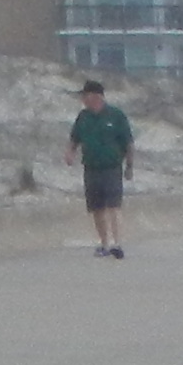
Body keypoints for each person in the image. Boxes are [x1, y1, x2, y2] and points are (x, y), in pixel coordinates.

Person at [70, 82, 134, 256]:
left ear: (96, 96)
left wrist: (129, 166)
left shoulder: (116, 115)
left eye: (85, 95)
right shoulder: (83, 117)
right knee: (96, 208)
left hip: (112, 167)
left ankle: (117, 243)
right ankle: (104, 244)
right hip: (91, 167)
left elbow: (128, 142)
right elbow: (75, 138)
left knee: (114, 205)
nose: (83, 99)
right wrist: (70, 153)